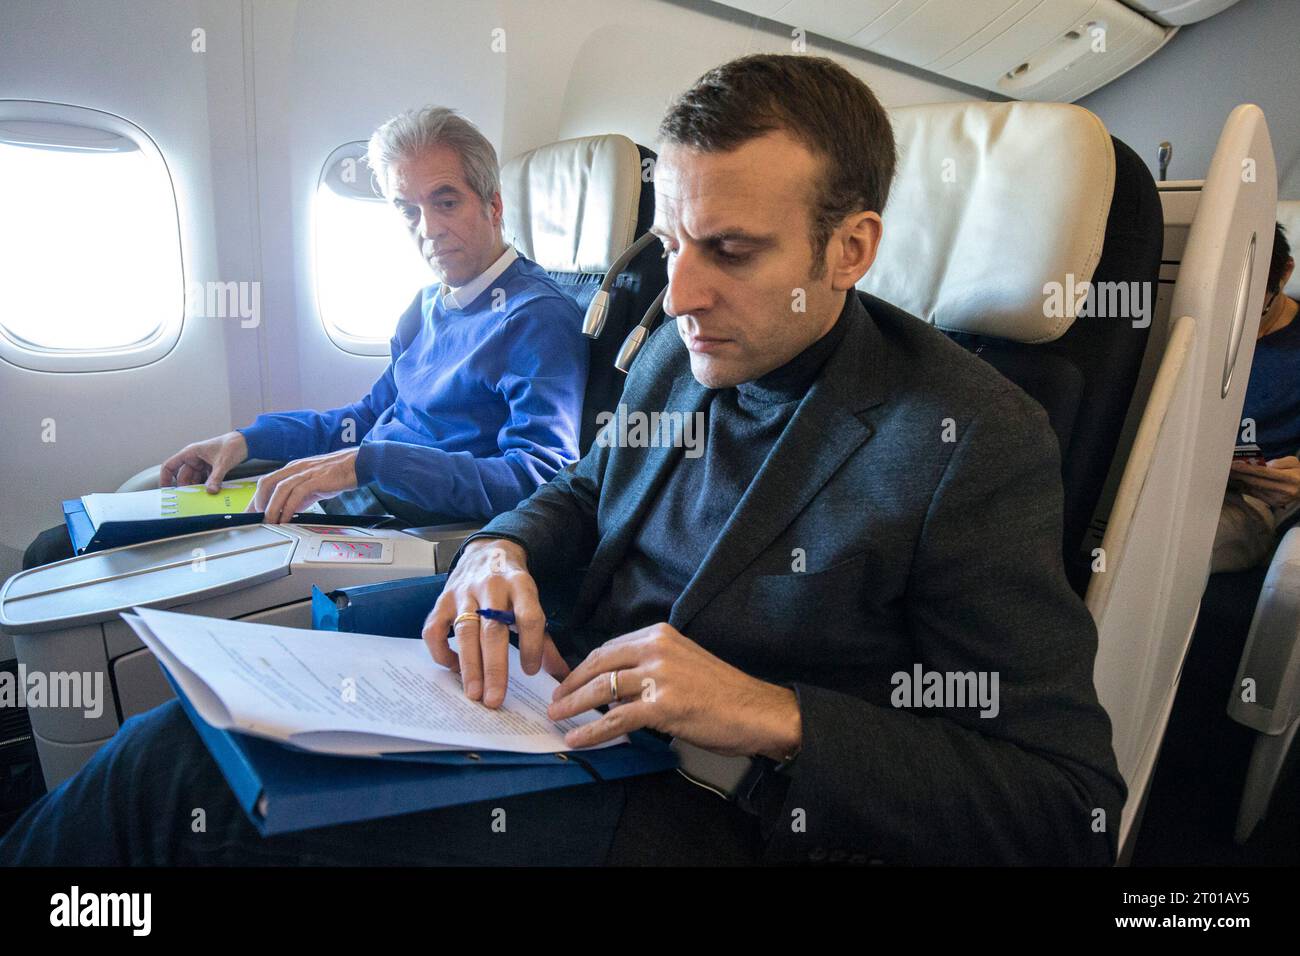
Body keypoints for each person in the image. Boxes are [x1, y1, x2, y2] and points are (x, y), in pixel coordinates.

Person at [0, 54, 1124, 866]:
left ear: (852, 249)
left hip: (690, 792)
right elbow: (585, 484)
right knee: (178, 734)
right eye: (673, 241)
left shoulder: (968, 437)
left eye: (729, 250)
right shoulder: (682, 352)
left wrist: (774, 711)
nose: (677, 292)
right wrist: (498, 546)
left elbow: (1066, 801)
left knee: (202, 805)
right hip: (538, 679)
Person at [20, 106, 589, 568]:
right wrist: (245, 441)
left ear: (492, 204)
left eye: (446, 201)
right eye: (408, 210)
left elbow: (539, 477)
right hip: (352, 496)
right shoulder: (426, 307)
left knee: (72, 557)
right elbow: (363, 420)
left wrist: (369, 465)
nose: (429, 229)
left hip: (404, 529)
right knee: (64, 543)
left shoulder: (537, 319)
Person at [1212, 223, 1298, 573]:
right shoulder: (1192, 319)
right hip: (1165, 476)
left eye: (1254, 304)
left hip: (1249, 500)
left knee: (1161, 542)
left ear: (1285, 273)